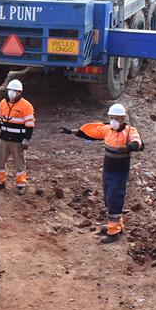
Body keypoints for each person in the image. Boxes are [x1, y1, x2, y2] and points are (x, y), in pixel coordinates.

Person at [60, 103, 143, 243]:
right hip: (108, 170)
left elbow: (137, 142)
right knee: (108, 197)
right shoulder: (108, 130)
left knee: (114, 198)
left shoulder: (129, 131)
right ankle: (117, 225)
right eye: (111, 117)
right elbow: (91, 133)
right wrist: (71, 131)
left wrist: (128, 147)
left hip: (119, 171)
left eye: (116, 118)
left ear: (122, 118)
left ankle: (113, 232)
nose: (113, 120)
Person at [0, 78, 35, 194]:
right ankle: (0, 181)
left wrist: (26, 140)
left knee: (19, 163)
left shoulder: (26, 106)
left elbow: (30, 125)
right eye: (10, 90)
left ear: (19, 92)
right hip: (4, 139)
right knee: (0, 161)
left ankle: (21, 184)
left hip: (17, 141)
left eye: (14, 91)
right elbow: (0, 119)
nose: (11, 93)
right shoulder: (3, 103)